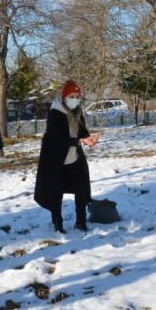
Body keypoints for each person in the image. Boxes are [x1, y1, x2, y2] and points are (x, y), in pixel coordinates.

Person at [34, 80, 99, 233]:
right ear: (64, 97)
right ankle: (58, 224)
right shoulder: (55, 113)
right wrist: (80, 141)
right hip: (56, 160)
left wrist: (90, 138)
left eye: (77, 96)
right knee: (56, 193)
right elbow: (57, 139)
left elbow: (82, 132)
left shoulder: (77, 111)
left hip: (74, 158)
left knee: (81, 190)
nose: (75, 99)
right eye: (72, 96)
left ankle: (81, 222)